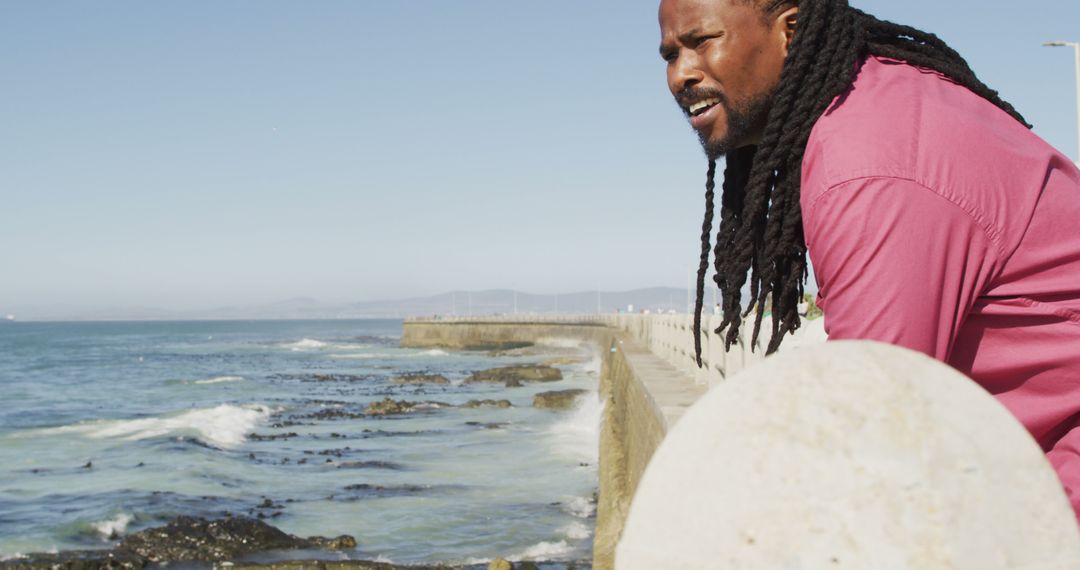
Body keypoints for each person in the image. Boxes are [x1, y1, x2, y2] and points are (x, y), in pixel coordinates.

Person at [659, 0, 1080, 519]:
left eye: (702, 42)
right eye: (670, 55)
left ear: (791, 30)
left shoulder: (870, 165)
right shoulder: (883, 100)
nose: (681, 75)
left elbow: (868, 438)